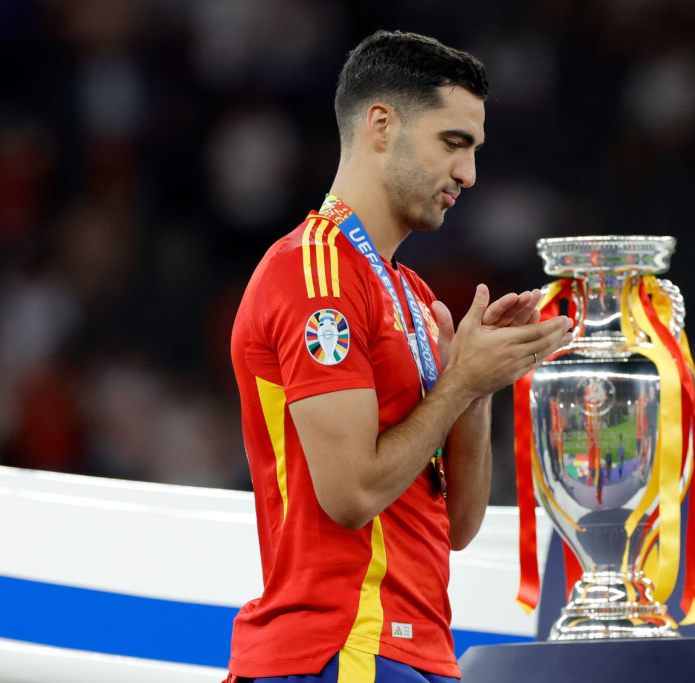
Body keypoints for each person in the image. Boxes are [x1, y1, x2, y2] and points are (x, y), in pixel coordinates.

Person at [226, 30, 573, 683]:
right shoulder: (313, 273)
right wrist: (458, 381)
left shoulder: (411, 295)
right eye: (453, 143)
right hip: (340, 645)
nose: (467, 175)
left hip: (413, 649)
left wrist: (476, 383)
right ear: (380, 125)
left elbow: (458, 525)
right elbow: (352, 493)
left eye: (473, 151)